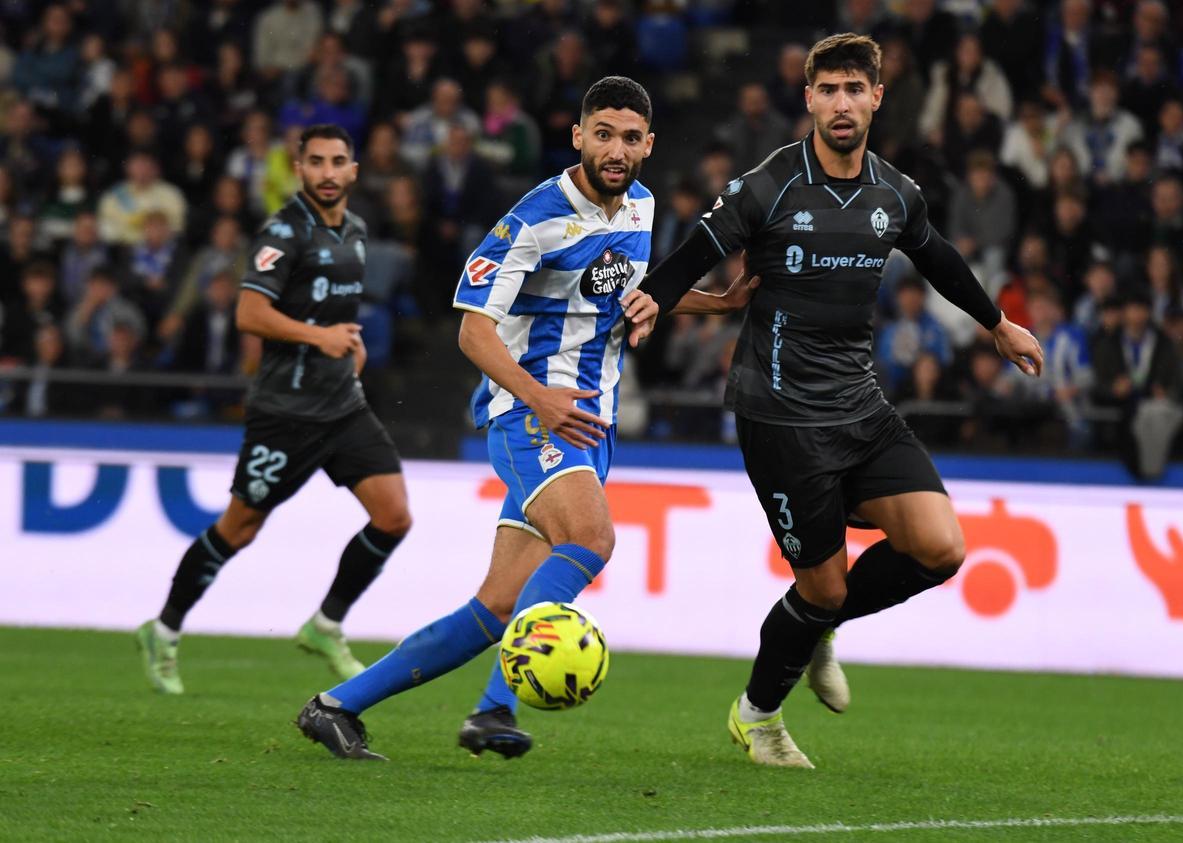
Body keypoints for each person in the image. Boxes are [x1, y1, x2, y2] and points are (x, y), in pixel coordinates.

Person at [638, 34, 1043, 768]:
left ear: (878, 97)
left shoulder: (895, 192)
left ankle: (818, 628)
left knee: (941, 546)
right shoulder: (771, 184)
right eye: (828, 89)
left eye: (856, 88)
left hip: (861, 407)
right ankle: (758, 715)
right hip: (780, 413)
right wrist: (651, 299)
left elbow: (939, 256)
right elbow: (700, 246)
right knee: (819, 588)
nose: (842, 102)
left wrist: (997, 324)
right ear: (810, 99)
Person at [294, 76, 660, 761]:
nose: (615, 149)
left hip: (590, 422)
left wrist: (691, 301)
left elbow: (617, 296)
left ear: (648, 145)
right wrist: (539, 396)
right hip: (533, 416)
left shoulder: (640, 205)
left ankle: (335, 706)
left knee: (495, 607)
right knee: (591, 538)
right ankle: (494, 708)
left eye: (629, 137)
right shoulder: (533, 217)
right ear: (578, 136)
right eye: (602, 134)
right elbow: (472, 331)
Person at [136, 124, 413, 695]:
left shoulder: (357, 233)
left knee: (394, 515)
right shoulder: (284, 232)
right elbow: (249, 313)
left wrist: (347, 347)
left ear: (354, 170)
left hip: (342, 406)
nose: (329, 172)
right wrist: (319, 339)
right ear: (300, 168)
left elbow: (335, 315)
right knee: (239, 528)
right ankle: (163, 630)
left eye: (339, 161)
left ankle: (325, 624)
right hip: (284, 414)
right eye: (316, 162)